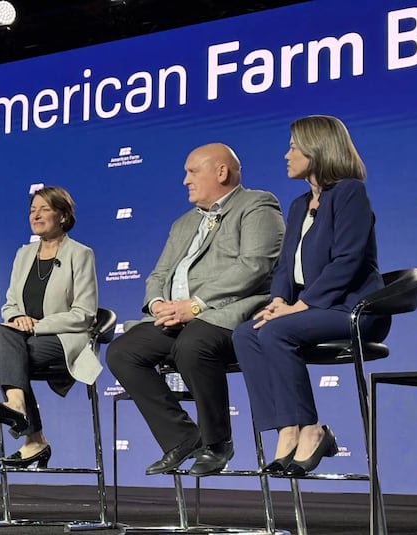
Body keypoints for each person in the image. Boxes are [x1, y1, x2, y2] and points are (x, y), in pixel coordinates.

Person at [106, 143, 284, 477]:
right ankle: (183, 438)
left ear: (221, 172)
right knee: (122, 351)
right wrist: (158, 304)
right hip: (178, 316)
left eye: (192, 171)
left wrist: (196, 305)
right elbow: (159, 274)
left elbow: (255, 267)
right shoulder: (183, 223)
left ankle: (218, 443)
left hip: (229, 314)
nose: (185, 180)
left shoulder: (257, 204)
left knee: (193, 345)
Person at [231, 115, 389, 477]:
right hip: (313, 308)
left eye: (293, 146)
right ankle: (288, 429)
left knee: (276, 332)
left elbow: (347, 261)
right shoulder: (300, 204)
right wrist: (278, 301)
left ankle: (311, 429)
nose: (287, 154)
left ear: (317, 149)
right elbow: (286, 266)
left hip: (355, 310)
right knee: (246, 332)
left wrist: (299, 306)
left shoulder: (350, 193)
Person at [0, 186, 98, 468]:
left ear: (63, 215)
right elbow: (9, 304)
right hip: (23, 338)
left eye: (44, 209)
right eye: (32, 210)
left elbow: (85, 314)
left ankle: (32, 435)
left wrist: (36, 325)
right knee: (4, 332)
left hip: (65, 339)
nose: (36, 215)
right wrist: (19, 319)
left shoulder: (80, 254)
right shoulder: (24, 254)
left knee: (9, 352)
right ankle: (22, 415)